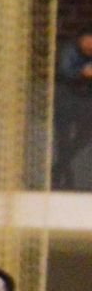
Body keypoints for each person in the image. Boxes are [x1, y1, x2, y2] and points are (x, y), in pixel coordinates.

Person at [53, 32, 92, 188]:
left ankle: (58, 168)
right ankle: (63, 177)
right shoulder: (70, 52)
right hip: (65, 100)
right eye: (88, 42)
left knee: (85, 135)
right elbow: (65, 72)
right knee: (63, 139)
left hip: (85, 102)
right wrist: (82, 73)